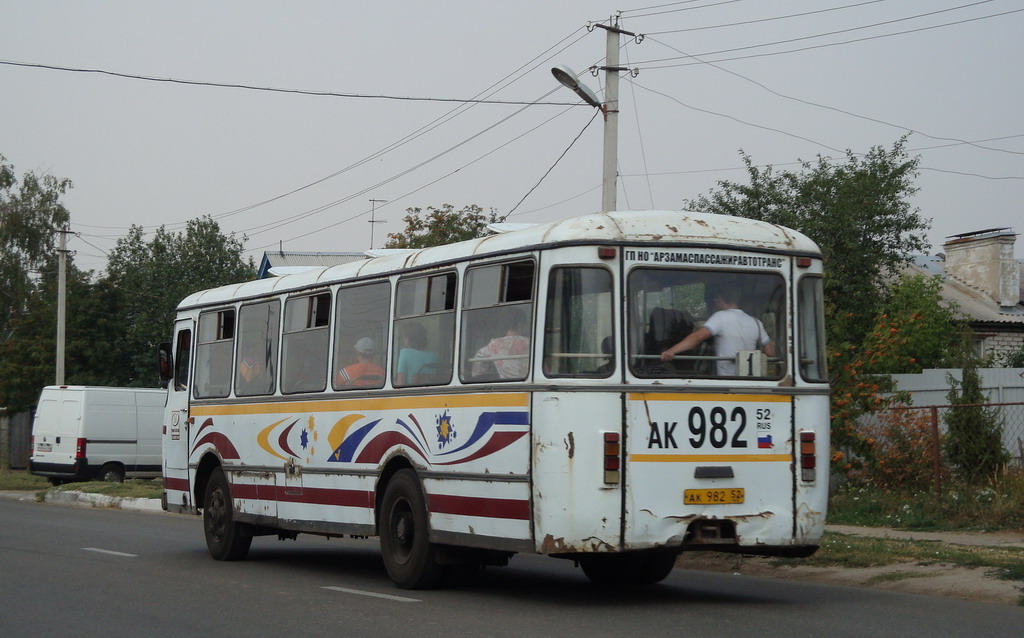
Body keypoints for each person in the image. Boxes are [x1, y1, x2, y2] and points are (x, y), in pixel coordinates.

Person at [660, 287, 776, 376]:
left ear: (723, 298)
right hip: (749, 381)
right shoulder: (756, 322)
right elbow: (770, 352)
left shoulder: (720, 316)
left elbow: (697, 338)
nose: (714, 302)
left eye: (716, 299)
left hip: (727, 379)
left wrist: (671, 351)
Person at [472, 310, 530, 379]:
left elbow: (478, 365)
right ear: (520, 324)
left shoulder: (494, 345)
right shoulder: (530, 343)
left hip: (504, 385)